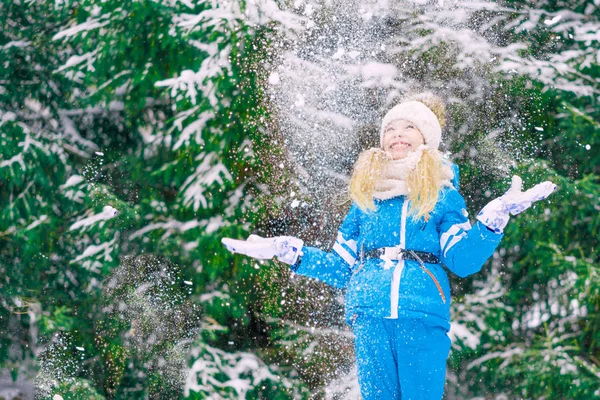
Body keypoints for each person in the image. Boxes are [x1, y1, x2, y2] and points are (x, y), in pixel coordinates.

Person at [222, 93, 556, 399]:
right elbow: (341, 267)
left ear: (426, 139)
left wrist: (493, 220)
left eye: (409, 127)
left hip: (420, 313)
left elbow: (462, 259)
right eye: (390, 128)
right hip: (369, 315)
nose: (397, 133)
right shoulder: (365, 199)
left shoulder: (442, 196)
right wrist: (289, 252)